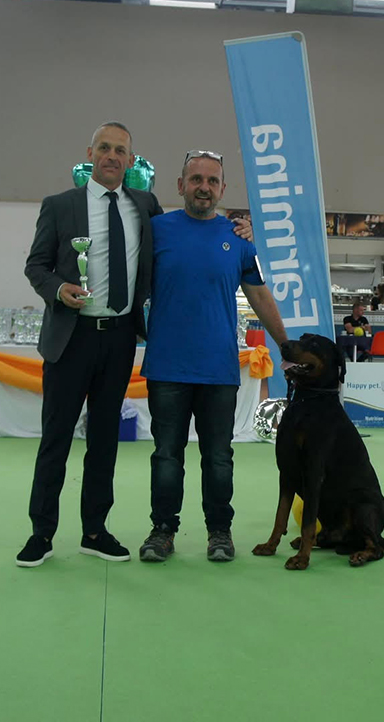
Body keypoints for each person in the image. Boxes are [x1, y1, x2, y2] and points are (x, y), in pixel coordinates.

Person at [16, 124, 253, 568]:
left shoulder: (145, 207)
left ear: (130, 160)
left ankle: (94, 531)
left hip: (120, 339)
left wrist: (242, 228)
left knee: (104, 441)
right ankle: (41, 533)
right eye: (104, 148)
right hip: (70, 339)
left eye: (120, 150)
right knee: (56, 440)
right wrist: (58, 289)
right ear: (90, 153)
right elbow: (36, 266)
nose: (112, 156)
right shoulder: (59, 205)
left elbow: (195, 227)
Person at [138, 149, 287, 564]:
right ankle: (162, 531)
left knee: (219, 458)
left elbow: (259, 295)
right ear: (180, 185)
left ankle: (219, 532)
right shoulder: (156, 230)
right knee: (166, 456)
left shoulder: (239, 239)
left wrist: (286, 345)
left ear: (223, 189)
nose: (204, 187)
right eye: (196, 179)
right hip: (167, 367)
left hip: (219, 370)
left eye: (212, 181)